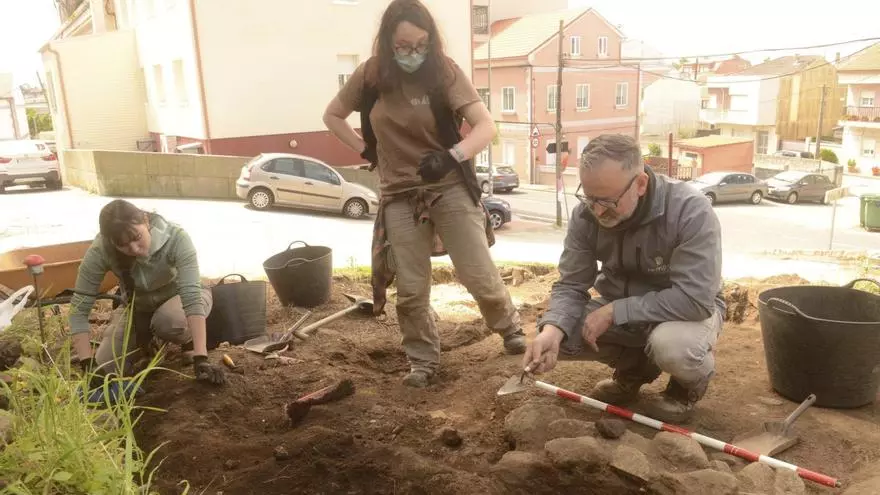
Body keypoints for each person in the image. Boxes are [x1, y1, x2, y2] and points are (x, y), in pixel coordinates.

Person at [323, 0, 525, 388]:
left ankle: (509, 327)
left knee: (477, 273)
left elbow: (486, 126)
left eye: (421, 45)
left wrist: (452, 156)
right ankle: (422, 359)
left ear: (430, 41)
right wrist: (365, 149)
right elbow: (332, 115)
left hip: (448, 185)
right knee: (411, 289)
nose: (413, 53)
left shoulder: (444, 72)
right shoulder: (370, 75)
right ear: (387, 42)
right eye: (403, 46)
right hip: (399, 192)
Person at [523, 134, 725, 423]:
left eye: (607, 201)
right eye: (589, 198)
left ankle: (684, 388)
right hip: (624, 307)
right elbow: (571, 284)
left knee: (673, 346)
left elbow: (695, 299)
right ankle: (635, 370)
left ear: (640, 184)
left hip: (685, 312)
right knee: (561, 332)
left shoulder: (690, 210)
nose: (597, 211)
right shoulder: (587, 214)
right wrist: (553, 329)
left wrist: (616, 311)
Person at [69, 199, 226, 386]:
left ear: (145, 220)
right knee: (106, 366)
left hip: (180, 301)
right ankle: (151, 345)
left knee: (169, 322)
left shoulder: (176, 238)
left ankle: (189, 340)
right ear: (111, 241)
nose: (134, 249)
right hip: (138, 308)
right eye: (123, 245)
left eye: (137, 237)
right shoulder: (101, 249)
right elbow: (79, 309)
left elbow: (191, 296)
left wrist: (201, 357)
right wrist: (88, 363)